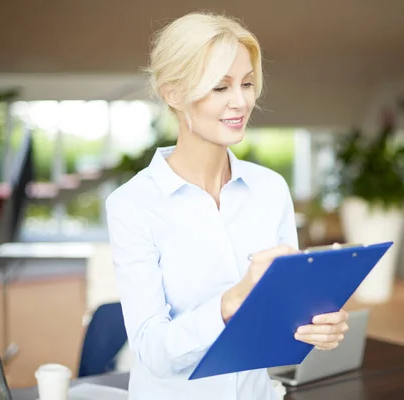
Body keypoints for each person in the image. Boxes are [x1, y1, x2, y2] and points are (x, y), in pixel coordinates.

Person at [105, 11, 350, 400]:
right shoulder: (132, 205)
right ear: (173, 93)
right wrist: (230, 301)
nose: (241, 101)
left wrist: (316, 327)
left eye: (247, 83)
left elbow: (281, 321)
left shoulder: (270, 189)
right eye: (220, 87)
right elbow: (151, 350)